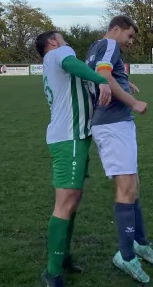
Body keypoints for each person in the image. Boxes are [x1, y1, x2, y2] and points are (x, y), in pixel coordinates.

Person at [85, 15, 153, 284]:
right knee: (126, 189)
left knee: (133, 186)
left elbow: (103, 76)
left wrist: (125, 82)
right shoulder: (109, 44)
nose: (130, 42)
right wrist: (133, 101)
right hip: (113, 124)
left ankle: (139, 243)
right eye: (129, 36)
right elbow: (103, 76)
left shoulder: (96, 47)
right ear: (116, 29)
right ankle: (126, 256)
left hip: (115, 125)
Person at [35, 31, 111, 287]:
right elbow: (72, 64)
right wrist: (102, 80)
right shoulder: (59, 54)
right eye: (62, 38)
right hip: (69, 139)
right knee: (65, 203)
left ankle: (63, 256)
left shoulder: (53, 62)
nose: (66, 41)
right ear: (52, 43)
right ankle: (52, 271)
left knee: (72, 200)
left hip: (71, 138)